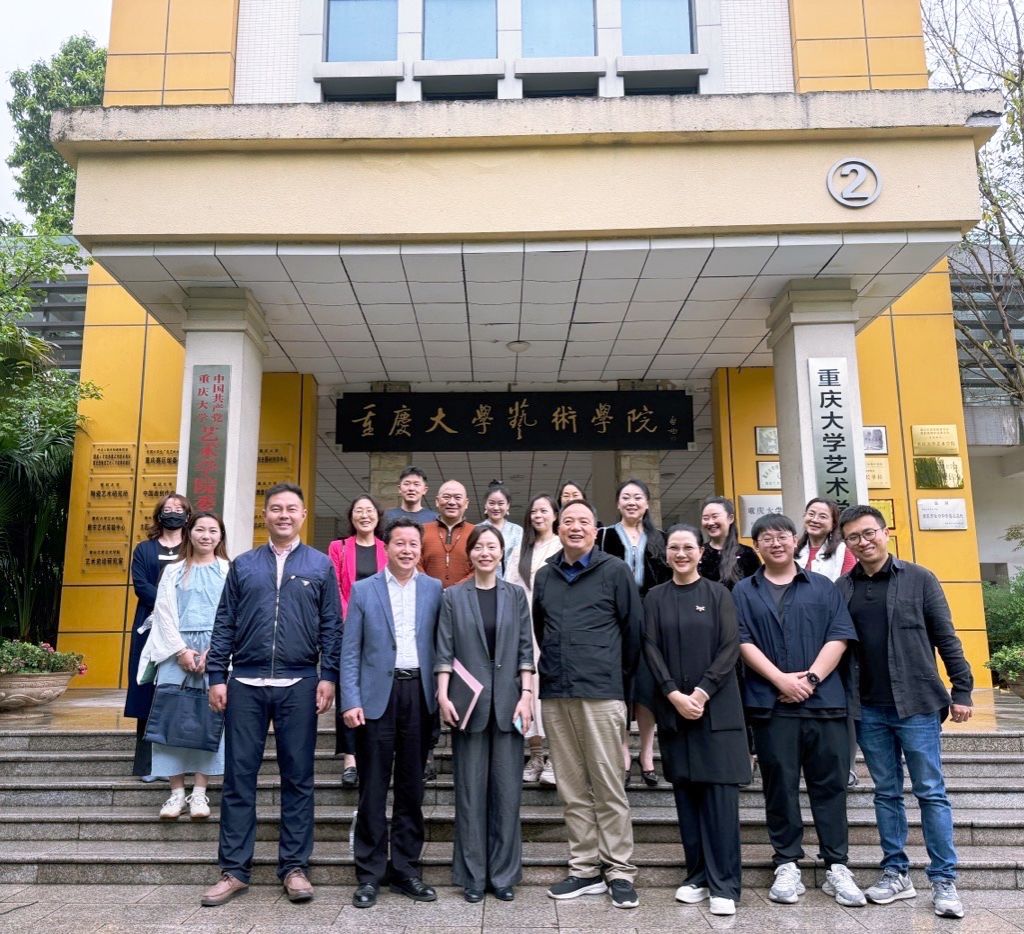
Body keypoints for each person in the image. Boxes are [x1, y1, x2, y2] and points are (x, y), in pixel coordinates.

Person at [201, 483, 341, 908]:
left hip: (299, 683)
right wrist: (216, 675)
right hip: (245, 683)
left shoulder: (319, 565)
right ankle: (233, 871)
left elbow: (331, 625)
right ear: (265, 515)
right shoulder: (244, 565)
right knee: (238, 779)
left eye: (291, 509)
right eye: (276, 508)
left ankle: (294, 867)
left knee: (298, 778)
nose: (284, 515)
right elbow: (224, 621)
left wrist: (328, 675)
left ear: (303, 515)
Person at [837, 504, 975, 920]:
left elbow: (946, 636)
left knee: (930, 790)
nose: (863, 542)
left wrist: (962, 689)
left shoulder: (919, 578)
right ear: (846, 544)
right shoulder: (842, 588)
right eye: (853, 537)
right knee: (886, 792)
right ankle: (896, 872)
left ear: (885, 532)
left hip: (916, 703)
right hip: (868, 707)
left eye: (869, 533)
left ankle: (944, 879)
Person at [732, 513, 864, 909]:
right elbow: (741, 641)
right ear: (757, 546)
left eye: (782, 536)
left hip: (825, 705)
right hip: (772, 707)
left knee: (831, 787)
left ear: (795, 541)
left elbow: (840, 636)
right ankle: (787, 862)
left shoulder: (823, 587)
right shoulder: (744, 591)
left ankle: (837, 864)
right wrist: (780, 681)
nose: (775, 543)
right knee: (779, 787)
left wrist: (810, 680)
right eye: (766, 538)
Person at [533, 499, 644, 910]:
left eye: (583, 521)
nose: (575, 527)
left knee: (608, 785)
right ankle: (585, 869)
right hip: (556, 691)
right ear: (558, 528)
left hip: (602, 691)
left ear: (595, 530)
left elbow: (633, 633)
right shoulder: (545, 576)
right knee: (572, 787)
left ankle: (619, 871)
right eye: (568, 521)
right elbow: (541, 629)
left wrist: (618, 683)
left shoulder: (614, 571)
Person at [643, 525, 750, 917]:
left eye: (688, 547)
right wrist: (672, 694)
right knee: (686, 798)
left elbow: (730, 647)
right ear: (667, 554)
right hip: (676, 712)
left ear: (701, 552)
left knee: (719, 801)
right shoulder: (655, 597)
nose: (681, 553)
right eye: (674, 547)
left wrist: (701, 693)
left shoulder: (719, 594)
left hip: (715, 711)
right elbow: (650, 648)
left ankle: (725, 884)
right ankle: (697, 876)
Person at [341, 518, 443, 909]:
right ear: (386, 548)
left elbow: (442, 646)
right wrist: (351, 700)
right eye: (399, 543)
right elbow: (350, 651)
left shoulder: (434, 589)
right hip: (375, 699)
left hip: (418, 694)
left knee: (411, 788)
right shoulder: (364, 589)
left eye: (413, 544)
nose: (407, 550)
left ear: (420, 549)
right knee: (372, 788)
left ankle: (405, 870)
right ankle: (369, 874)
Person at [435, 524, 535, 903]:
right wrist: (443, 695)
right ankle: (473, 876)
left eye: (492, 547)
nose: (486, 553)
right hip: (467, 705)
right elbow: (444, 650)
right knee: (470, 794)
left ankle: (504, 875)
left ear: (501, 552)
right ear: (470, 553)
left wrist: (527, 695)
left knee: (507, 794)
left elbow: (525, 649)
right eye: (479, 547)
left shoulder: (515, 596)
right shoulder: (452, 597)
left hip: (510, 703)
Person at [139, 511, 230, 821]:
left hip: (215, 652)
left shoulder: (228, 570)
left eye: (213, 531)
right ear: (189, 533)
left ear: (221, 536)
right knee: (170, 717)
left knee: (210, 720)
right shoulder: (174, 570)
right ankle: (176, 792)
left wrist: (215, 653)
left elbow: (235, 613)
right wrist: (180, 650)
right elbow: (163, 612)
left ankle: (200, 792)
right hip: (175, 651)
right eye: (200, 529)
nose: (206, 536)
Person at [595, 479, 670, 787]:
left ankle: (647, 752)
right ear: (617, 503)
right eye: (625, 497)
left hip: (652, 616)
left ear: (647, 503)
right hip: (615, 618)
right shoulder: (604, 536)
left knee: (647, 685)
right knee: (621, 685)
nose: (631, 502)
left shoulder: (661, 538)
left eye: (638, 497)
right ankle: (624, 749)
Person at [125, 493, 192, 782]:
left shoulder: (192, 548)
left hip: (185, 627)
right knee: (148, 693)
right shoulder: (145, 549)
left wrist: (181, 611)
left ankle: (176, 764)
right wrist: (168, 607)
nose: (173, 512)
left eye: (179, 509)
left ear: (187, 516)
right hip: (150, 626)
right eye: (168, 508)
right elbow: (141, 586)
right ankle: (147, 766)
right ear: (159, 514)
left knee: (178, 691)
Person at [795, 497, 859, 788]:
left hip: (833, 636)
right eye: (811, 513)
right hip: (800, 637)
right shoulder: (794, 550)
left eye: (823, 515)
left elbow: (847, 589)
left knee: (841, 701)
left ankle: (846, 766)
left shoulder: (844, 551)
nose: (815, 519)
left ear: (834, 523)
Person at [327, 495, 387, 788]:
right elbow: (335, 586)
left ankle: (375, 755)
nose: (365, 515)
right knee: (348, 690)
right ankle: (350, 760)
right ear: (351, 516)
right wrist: (352, 617)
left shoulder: (387, 547)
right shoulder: (338, 547)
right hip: (348, 627)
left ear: (378, 516)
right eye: (359, 511)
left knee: (378, 690)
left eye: (369, 510)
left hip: (381, 630)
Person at [506, 494, 561, 786]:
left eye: (544, 510)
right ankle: (536, 755)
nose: (538, 516)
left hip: (553, 629)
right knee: (528, 692)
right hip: (525, 629)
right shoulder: (521, 550)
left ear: (555, 515)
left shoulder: (562, 545)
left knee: (550, 695)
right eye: (534, 511)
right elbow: (510, 590)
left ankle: (554, 757)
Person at [419, 479, 475, 589]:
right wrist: (431, 587)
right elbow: (415, 563)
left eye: (457, 498)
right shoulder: (422, 530)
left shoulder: (476, 532)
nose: (452, 502)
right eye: (446, 497)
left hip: (465, 594)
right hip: (427, 593)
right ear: (437, 501)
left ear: (466, 503)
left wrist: (456, 590)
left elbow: (479, 568)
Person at [698, 497, 760, 588]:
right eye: (705, 518)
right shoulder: (698, 553)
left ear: (730, 518)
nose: (710, 522)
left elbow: (756, 586)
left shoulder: (746, 553)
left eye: (715, 517)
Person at [480, 480, 523, 578]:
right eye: (492, 503)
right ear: (485, 505)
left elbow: (519, 561)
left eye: (500, 503)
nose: (496, 508)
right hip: (482, 581)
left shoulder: (517, 530)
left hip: (511, 582)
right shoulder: (476, 529)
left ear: (508, 506)